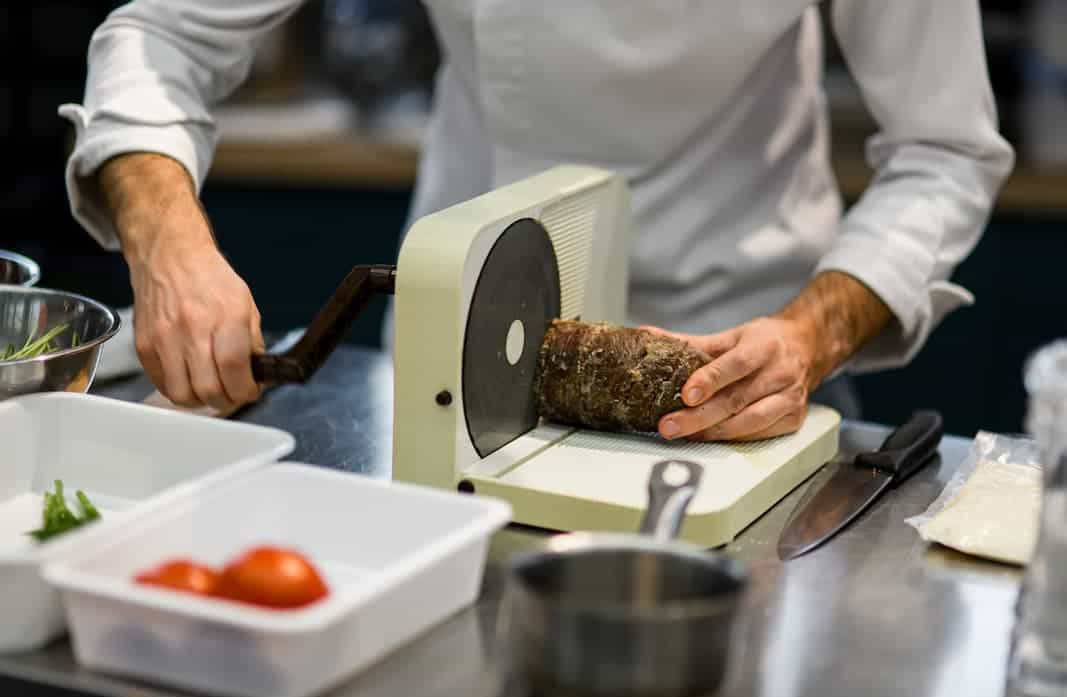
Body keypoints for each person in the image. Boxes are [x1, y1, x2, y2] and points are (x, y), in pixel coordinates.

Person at [60, 2, 1013, 442]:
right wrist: (167, 240)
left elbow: (944, 148)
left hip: (749, 375)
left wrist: (811, 334)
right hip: (461, 366)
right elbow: (164, 34)